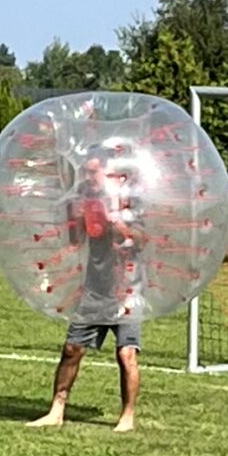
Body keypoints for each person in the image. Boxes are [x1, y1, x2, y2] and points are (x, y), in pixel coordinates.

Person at [29, 157, 143, 433]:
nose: (88, 177)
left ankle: (127, 415)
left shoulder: (131, 203)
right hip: (95, 286)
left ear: (109, 173)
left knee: (126, 354)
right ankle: (56, 410)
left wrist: (113, 221)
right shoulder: (86, 202)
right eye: (86, 172)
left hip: (126, 288)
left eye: (93, 171)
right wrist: (78, 218)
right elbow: (75, 241)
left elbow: (140, 240)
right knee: (72, 349)